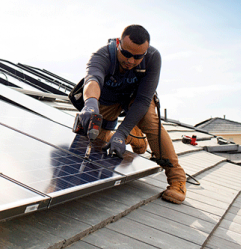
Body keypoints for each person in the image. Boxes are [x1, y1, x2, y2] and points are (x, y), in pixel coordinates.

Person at [76, 24, 187, 204]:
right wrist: (90, 104)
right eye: (126, 54)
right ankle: (134, 137)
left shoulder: (152, 57)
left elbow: (144, 100)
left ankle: (177, 179)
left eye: (137, 57)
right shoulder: (103, 55)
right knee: (91, 136)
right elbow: (93, 80)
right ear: (118, 44)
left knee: (150, 121)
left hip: (136, 100)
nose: (131, 61)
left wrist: (121, 132)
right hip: (107, 99)